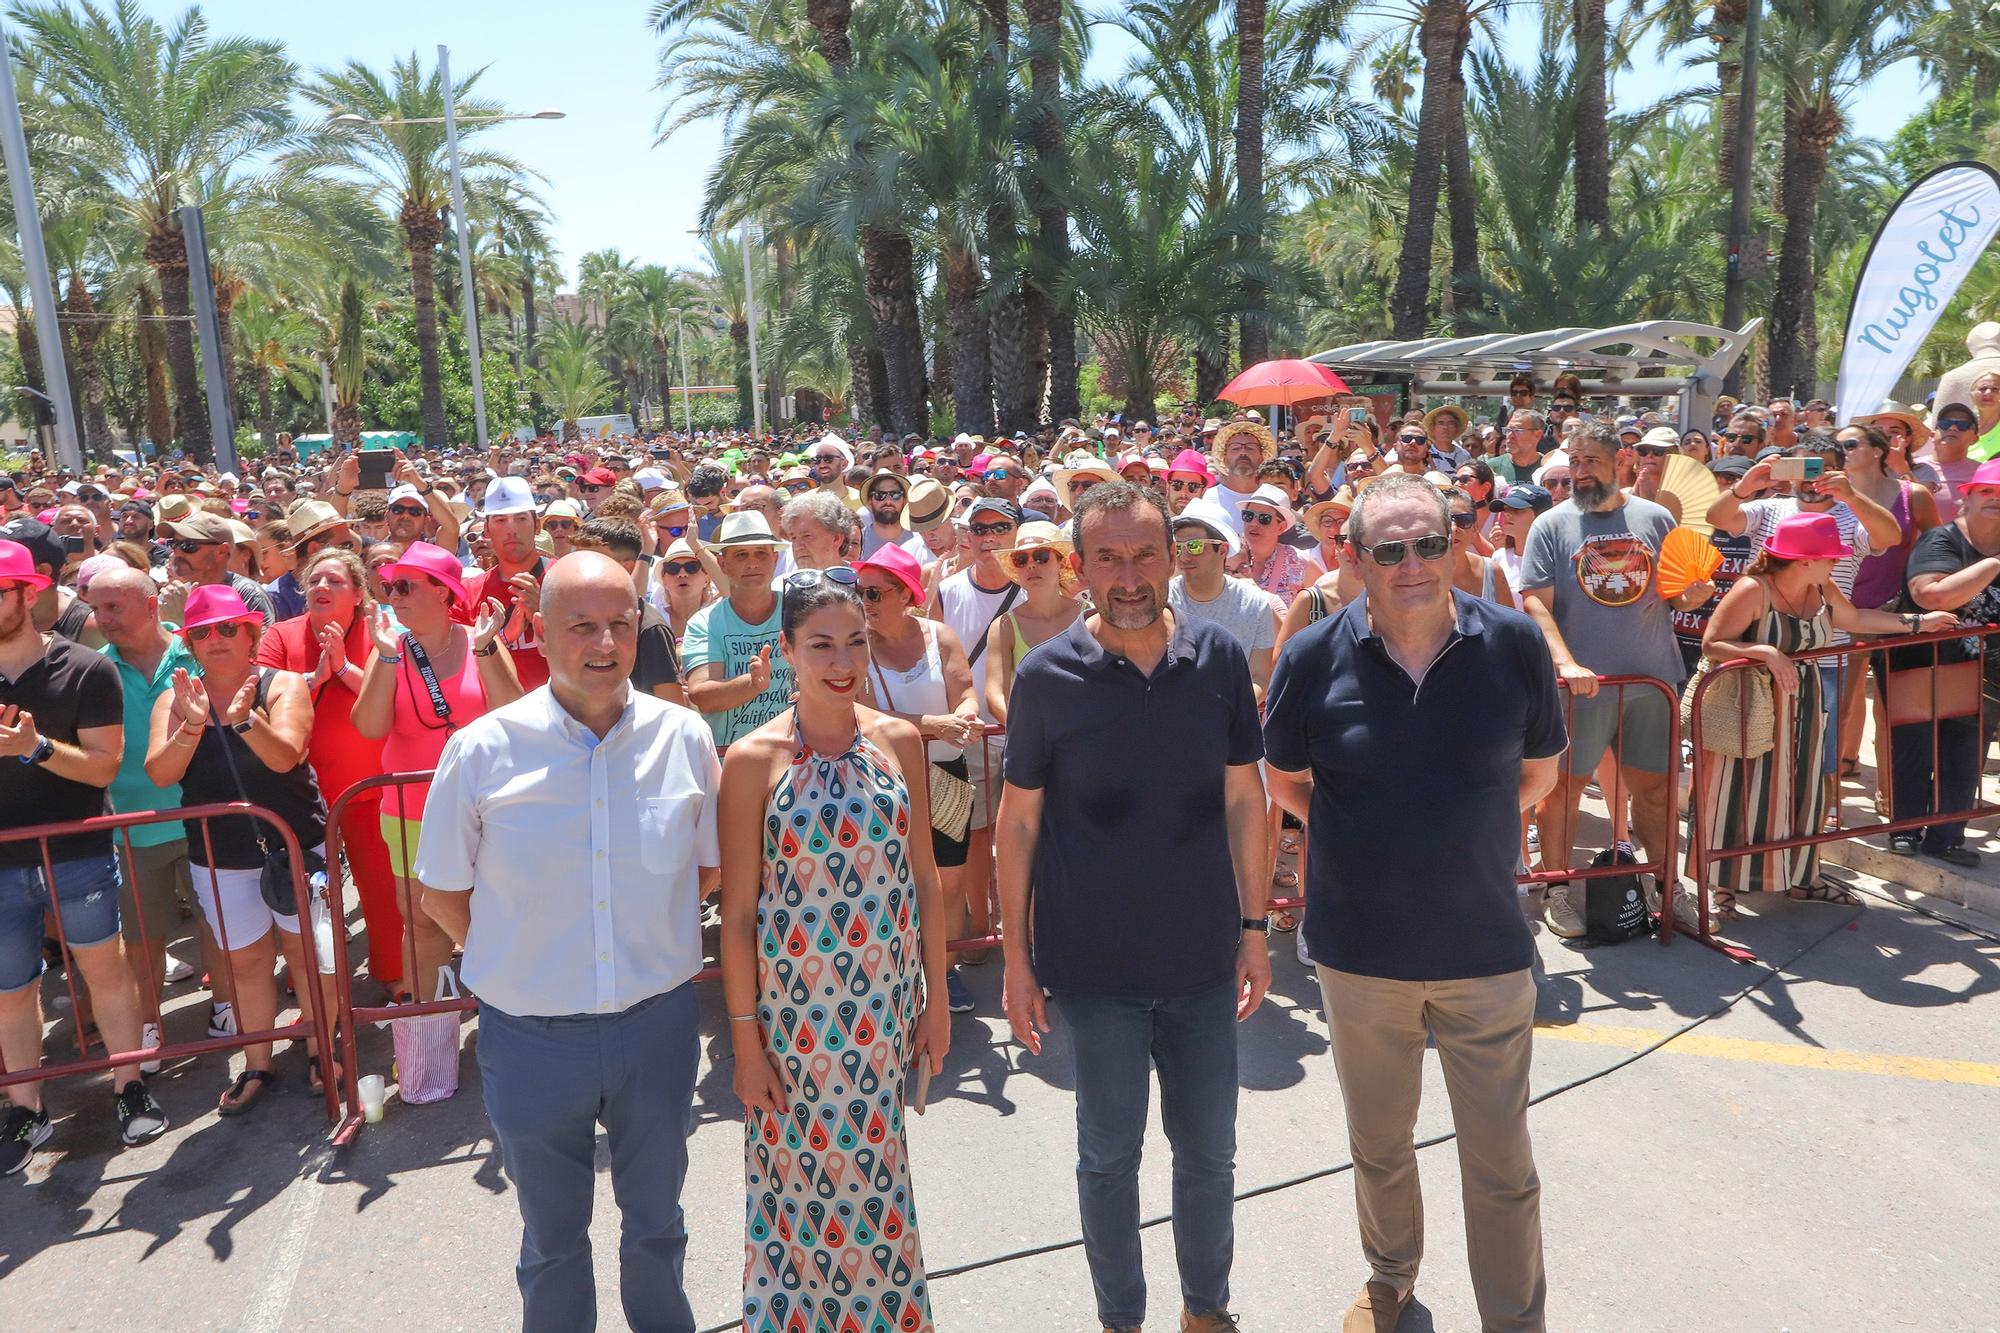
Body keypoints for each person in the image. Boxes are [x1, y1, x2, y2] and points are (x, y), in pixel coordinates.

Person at [1263, 473, 1565, 1333]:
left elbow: (1538, 774)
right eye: (1389, 549)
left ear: (1456, 544)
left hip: (1486, 949)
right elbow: (1283, 776)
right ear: (1353, 557)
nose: (1412, 565)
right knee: (1381, 1145)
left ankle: (1514, 1319)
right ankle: (1390, 1276)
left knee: (1503, 1162)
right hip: (1362, 954)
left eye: (1429, 543)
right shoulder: (1310, 654)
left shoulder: (1512, 643)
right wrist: (1364, 823)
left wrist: (1457, 823)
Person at [416, 552, 720, 1333]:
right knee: (553, 1240)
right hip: (531, 1037)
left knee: (658, 1222)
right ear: (540, 632)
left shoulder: (684, 738)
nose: (604, 641)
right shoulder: (483, 749)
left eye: (620, 623)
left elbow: (708, 871)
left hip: (655, 1027)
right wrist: (519, 958)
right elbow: (441, 891)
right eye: (581, 625)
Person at [996, 481, 1270, 1333]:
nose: (1127, 574)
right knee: (1108, 1160)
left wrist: (1256, 929)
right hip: (1094, 967)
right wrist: (1015, 957)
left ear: (1174, 557)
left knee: (1209, 1158)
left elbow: (1243, 802)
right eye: (1107, 557)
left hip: (1202, 959)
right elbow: (1019, 822)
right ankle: (1122, 1318)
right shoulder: (1047, 678)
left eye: (1144, 553)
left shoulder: (1220, 660)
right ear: (1079, 568)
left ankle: (1206, 1311)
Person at [716, 568, 951, 1333]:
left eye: (854, 640)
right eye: (820, 643)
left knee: (877, 1177)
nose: (842, 659)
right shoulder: (752, 761)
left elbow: (924, 880)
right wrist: (746, 1044)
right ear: (787, 649)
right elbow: (741, 915)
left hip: (880, 1013)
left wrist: (935, 1001)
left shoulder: (899, 741)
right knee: (796, 1182)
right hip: (791, 1024)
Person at [1697, 512, 1955, 919]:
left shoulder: (1821, 586)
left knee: (1805, 791)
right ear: (1803, 559)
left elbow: (1854, 619)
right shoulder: (1752, 590)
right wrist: (1763, 651)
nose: (1837, 561)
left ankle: (1803, 877)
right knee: (1742, 793)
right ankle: (1724, 884)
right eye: (1830, 556)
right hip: (1755, 707)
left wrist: (1919, 624)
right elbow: (1713, 643)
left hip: (1806, 706)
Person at [0, 542, 166, 1173]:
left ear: (26, 593)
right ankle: (26, 1109)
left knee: (106, 972)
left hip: (76, 852)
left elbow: (103, 766)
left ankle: (129, 1087)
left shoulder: (86, 669)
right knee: (10, 991)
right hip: (2, 864)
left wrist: (35, 747)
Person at [141, 585, 338, 1113]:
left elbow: (286, 756)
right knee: (246, 964)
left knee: (309, 957)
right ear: (190, 644)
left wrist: (245, 717)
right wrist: (192, 726)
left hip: (296, 843)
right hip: (219, 855)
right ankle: (258, 1064)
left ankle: (323, 1050)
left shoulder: (285, 684)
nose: (216, 639)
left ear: (252, 633)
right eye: (202, 631)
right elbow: (160, 773)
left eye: (228, 627)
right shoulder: (176, 698)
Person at [1518, 422, 1713, 936]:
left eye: (1591, 463)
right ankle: (1557, 889)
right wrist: (1563, 661)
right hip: (1581, 688)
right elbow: (1536, 600)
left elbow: (1681, 592)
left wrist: (1695, 591)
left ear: (1619, 461)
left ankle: (1664, 884)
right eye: (1574, 463)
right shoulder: (1551, 525)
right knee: (1561, 790)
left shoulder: (1657, 518)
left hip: (1652, 682)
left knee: (1655, 790)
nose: (1581, 473)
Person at [351, 542, 520, 1003]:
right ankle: (427, 1035)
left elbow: (512, 713)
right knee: (424, 921)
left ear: (444, 593)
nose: (393, 595)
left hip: (482, 809)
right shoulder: (389, 648)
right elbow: (369, 727)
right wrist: (386, 657)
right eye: (389, 586)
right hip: (409, 809)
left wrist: (486, 650)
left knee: (491, 911)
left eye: (405, 586)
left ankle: (508, 1013)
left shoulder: (479, 639)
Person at [255, 547, 404, 994]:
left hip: (368, 790)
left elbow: (395, 695)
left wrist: (342, 667)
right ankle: (317, 989)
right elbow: (259, 699)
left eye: (335, 581)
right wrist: (314, 678)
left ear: (358, 594)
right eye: (314, 580)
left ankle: (394, 975)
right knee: (311, 899)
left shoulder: (382, 632)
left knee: (380, 893)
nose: (321, 587)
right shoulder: (281, 636)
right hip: (299, 798)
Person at [91, 567, 218, 1061]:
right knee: (142, 939)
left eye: (113, 607)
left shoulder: (199, 649)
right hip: (131, 829)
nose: (102, 619)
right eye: (96, 608)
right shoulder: (92, 669)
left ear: (150, 606)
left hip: (203, 817)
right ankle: (146, 1025)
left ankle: (227, 1008)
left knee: (217, 925)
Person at [855, 543, 981, 1012]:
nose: (864, 602)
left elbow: (965, 693)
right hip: (883, 781)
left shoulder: (940, 636)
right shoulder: (856, 644)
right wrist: (934, 723)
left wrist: (965, 716)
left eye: (874, 592)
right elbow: (864, 712)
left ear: (905, 594)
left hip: (946, 772)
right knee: (889, 881)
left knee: (949, 879)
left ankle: (944, 973)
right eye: (861, 591)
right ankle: (895, 974)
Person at [1886, 458, 2000, 865]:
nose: (1996, 499)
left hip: (1980, 672)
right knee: (1914, 747)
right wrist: (1992, 565)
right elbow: (1930, 597)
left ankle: (1946, 836)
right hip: (1923, 661)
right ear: (1966, 498)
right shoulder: (1940, 541)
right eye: (1987, 491)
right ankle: (1904, 831)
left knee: (1965, 754)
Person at [683, 512, 796, 747]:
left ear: (775, 560)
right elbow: (702, 696)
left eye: (761, 554)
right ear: (722, 563)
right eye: (741, 555)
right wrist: (752, 684)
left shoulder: (800, 612)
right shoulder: (703, 623)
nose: (752, 563)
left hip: (794, 755)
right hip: (729, 760)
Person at [983, 520, 1085, 726]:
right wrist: (1028, 734)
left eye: (1042, 556)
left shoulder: (1090, 615)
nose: (1031, 565)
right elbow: (995, 696)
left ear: (1061, 563)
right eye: (1021, 559)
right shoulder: (1003, 627)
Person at [468, 476, 552, 690]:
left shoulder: (567, 578)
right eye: (500, 520)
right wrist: (505, 637)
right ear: (486, 530)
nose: (511, 529)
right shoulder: (470, 593)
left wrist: (540, 612)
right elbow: (462, 666)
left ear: (537, 525)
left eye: (521, 518)